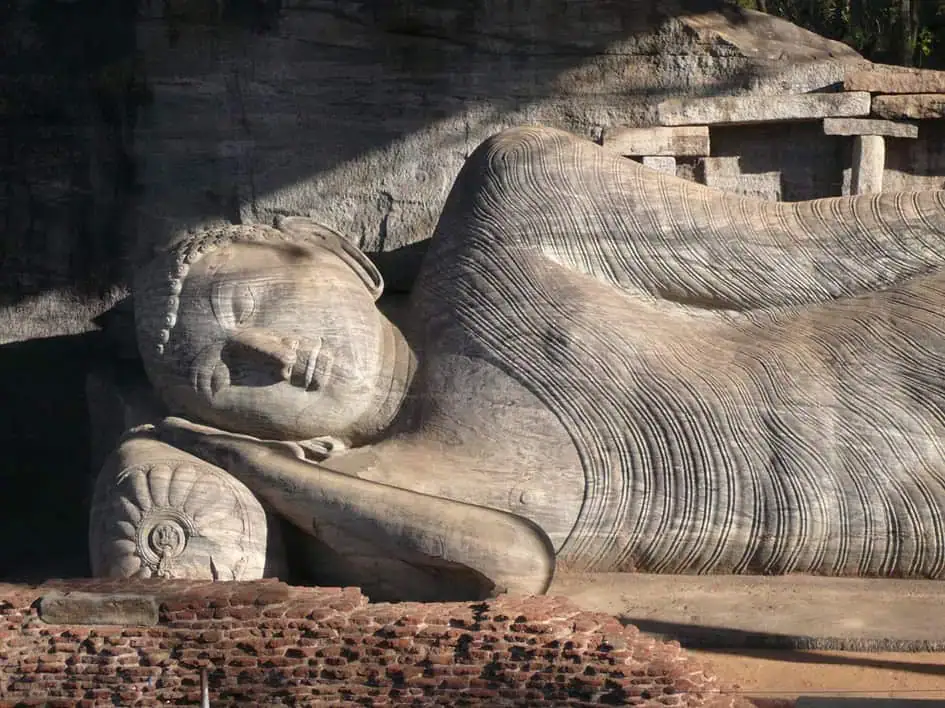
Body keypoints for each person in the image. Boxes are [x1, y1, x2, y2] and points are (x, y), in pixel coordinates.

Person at [97, 126, 945, 598]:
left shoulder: (510, 212)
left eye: (255, 307)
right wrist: (247, 465)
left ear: (329, 251)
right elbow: (508, 566)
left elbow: (837, 247)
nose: (273, 357)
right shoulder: (388, 488)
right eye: (224, 379)